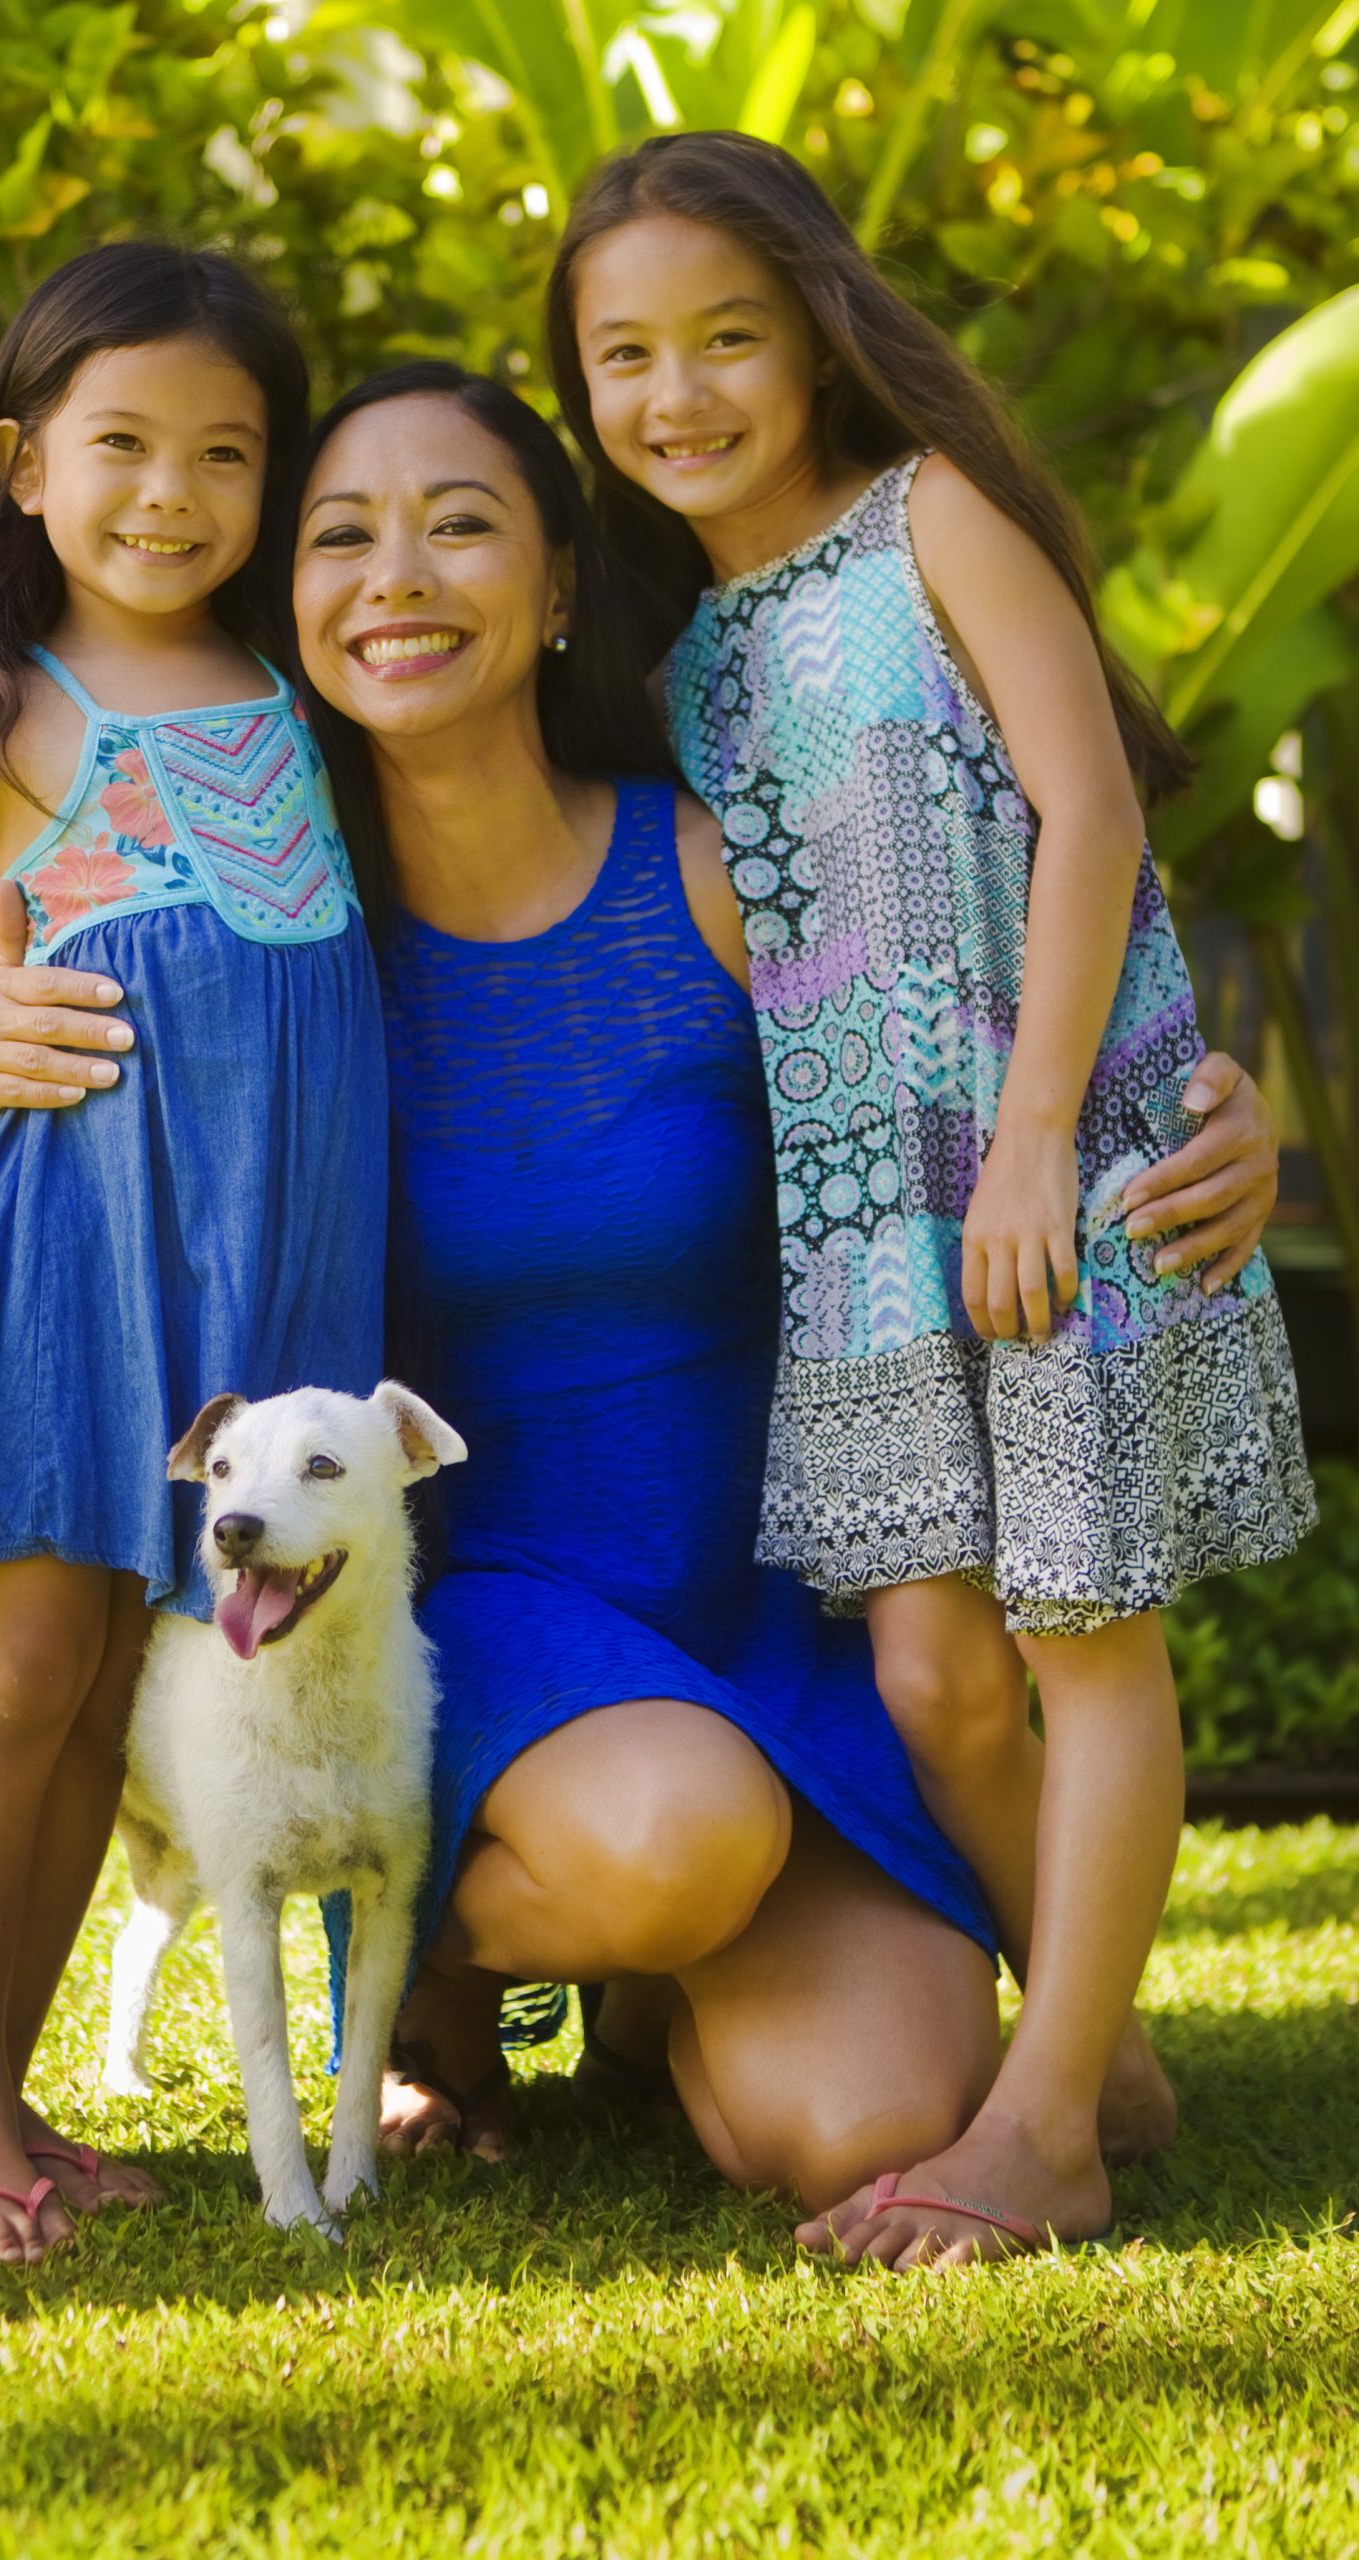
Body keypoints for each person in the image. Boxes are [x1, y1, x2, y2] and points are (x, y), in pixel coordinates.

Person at [0, 364, 1287, 2219]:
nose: (397, 575)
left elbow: (968, 1029)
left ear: (563, 582)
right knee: (673, 1839)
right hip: (484, 1622)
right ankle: (435, 1965)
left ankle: (659, 1996)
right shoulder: (273, 934)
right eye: (340, 537)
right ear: (296, 610)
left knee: (861, 2123)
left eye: (463, 522)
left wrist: (1209, 1109)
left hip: (768, 1611)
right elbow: (61, 1030)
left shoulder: (717, 864)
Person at [544, 131, 1316, 2263]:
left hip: (1051, 1154)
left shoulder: (936, 521)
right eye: (625, 356)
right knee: (934, 1678)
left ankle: (1050, 2109)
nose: (677, 391)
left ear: (816, 335)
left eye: (725, 336)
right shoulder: (683, 659)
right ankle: (1113, 2048)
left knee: (1081, 1636)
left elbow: (1087, 816)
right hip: (865, 1225)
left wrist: (1054, 1124)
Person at [0, 243, 386, 2261]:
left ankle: (21, 2087)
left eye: (227, 454)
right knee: (19, 1659)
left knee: (112, 1686)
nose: (173, 493)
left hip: (275, 1255)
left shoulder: (310, 681)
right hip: (75, 1249)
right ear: (21, 461)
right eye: (124, 445)